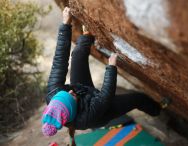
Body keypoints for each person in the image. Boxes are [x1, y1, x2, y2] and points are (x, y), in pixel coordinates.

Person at [41, 7, 165, 141]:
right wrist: (111, 67)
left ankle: (88, 35)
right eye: (71, 97)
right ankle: (158, 109)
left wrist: (65, 25)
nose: (70, 92)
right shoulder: (88, 117)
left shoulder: (53, 92)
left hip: (82, 90)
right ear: (73, 109)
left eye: (66, 93)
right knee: (137, 99)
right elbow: (105, 96)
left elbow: (59, 60)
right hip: (102, 110)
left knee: (77, 54)